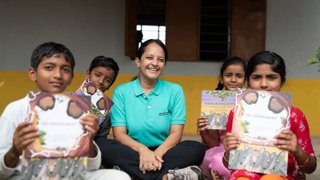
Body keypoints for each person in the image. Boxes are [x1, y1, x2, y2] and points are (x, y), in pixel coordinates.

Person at [0, 42, 130, 180]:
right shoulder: (17, 109)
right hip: (30, 175)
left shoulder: (80, 112)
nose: (58, 75)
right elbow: (2, 172)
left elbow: (92, 167)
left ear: (72, 77)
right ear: (33, 73)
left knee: (119, 177)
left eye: (65, 69)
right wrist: (15, 151)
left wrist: (89, 139)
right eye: (49, 68)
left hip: (70, 174)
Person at [96, 39, 206, 180]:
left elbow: (176, 133)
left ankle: (131, 173)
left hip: (165, 151)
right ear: (138, 62)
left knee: (196, 148)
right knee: (102, 145)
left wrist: (156, 154)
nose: (155, 63)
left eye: (160, 60)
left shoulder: (175, 90)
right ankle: (165, 176)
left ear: (164, 64)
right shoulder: (121, 92)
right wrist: (143, 151)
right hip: (132, 150)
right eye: (149, 57)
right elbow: (120, 134)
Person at [223, 51, 317, 179]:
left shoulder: (295, 116)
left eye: (271, 77)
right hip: (244, 173)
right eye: (256, 77)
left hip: (284, 175)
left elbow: (311, 168)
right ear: (247, 81)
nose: (264, 84)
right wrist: (229, 151)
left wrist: (297, 150)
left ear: (282, 81)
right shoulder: (237, 114)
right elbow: (228, 163)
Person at [197, 57, 246, 180]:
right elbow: (213, 144)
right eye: (229, 75)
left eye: (239, 76)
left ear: (245, 79)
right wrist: (204, 131)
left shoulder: (252, 102)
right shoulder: (214, 104)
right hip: (222, 151)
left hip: (246, 150)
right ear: (221, 78)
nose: (233, 80)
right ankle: (222, 173)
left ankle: (223, 174)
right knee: (209, 158)